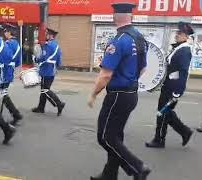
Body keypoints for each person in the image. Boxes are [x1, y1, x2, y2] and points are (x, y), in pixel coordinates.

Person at [88, 3, 150, 180]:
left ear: (115, 16)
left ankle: (138, 167)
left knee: (105, 137)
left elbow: (105, 75)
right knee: (116, 136)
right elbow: (144, 69)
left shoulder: (119, 40)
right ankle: (110, 174)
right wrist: (130, 78)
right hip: (131, 94)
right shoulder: (139, 38)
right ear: (130, 16)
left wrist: (93, 95)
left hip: (117, 96)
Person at [145, 22, 194, 148]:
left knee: (163, 112)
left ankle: (159, 140)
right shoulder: (178, 48)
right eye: (177, 33)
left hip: (172, 88)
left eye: (180, 33)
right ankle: (185, 132)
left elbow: (183, 73)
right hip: (168, 86)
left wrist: (177, 92)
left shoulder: (184, 51)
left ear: (186, 36)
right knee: (166, 112)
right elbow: (171, 68)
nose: (177, 35)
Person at [31, 28, 65, 116]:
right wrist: (56, 67)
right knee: (43, 90)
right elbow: (59, 60)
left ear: (50, 36)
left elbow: (43, 57)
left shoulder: (49, 45)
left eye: (47, 34)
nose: (46, 36)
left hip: (46, 70)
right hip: (52, 70)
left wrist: (35, 59)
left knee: (45, 89)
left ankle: (59, 103)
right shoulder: (56, 45)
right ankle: (41, 108)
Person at [0, 23, 23, 126]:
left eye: (5, 31)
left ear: (9, 32)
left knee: (2, 93)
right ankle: (5, 115)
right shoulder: (17, 44)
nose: (4, 34)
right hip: (10, 70)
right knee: (3, 93)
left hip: (4, 70)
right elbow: (18, 62)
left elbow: (3, 58)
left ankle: (13, 114)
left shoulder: (7, 44)